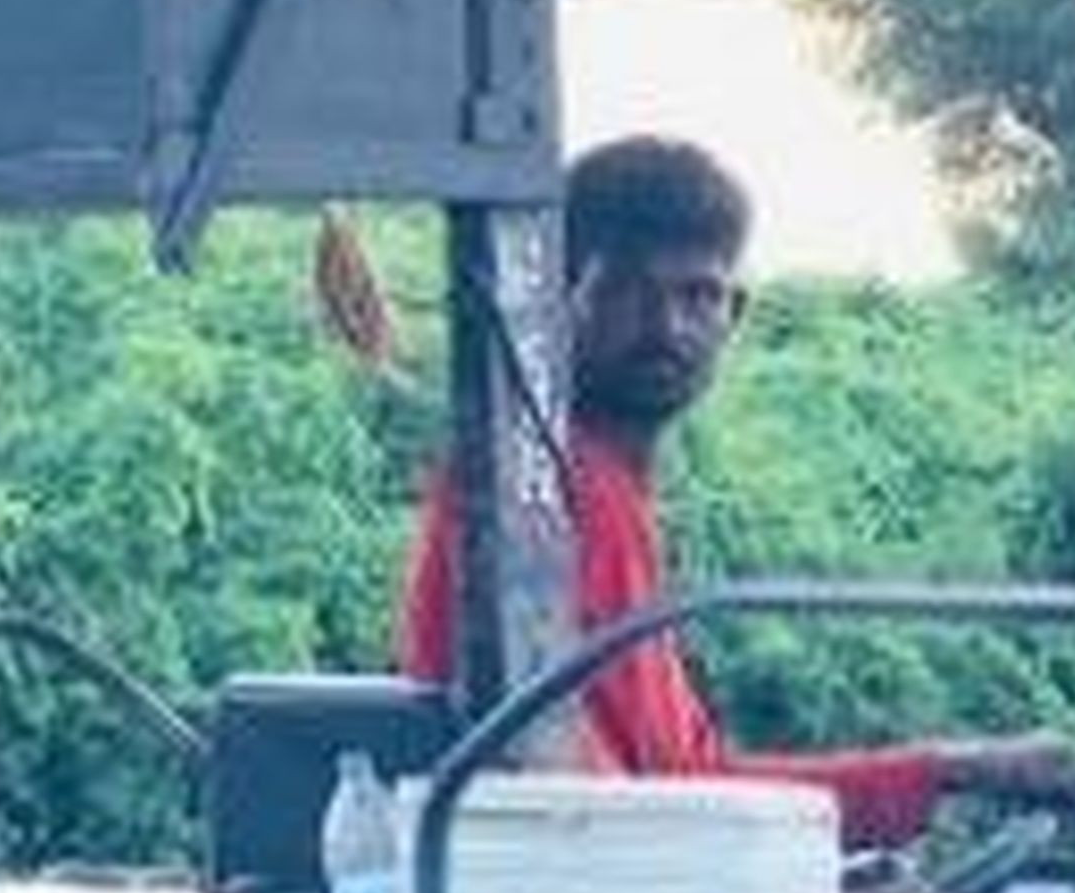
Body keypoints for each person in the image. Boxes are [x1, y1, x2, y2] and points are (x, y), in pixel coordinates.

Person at [389, 132, 958, 855]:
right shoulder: (562, 486)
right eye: (628, 291)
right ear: (558, 299)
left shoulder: (580, 478)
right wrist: (941, 775)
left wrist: (937, 775)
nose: (667, 328)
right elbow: (677, 796)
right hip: (576, 882)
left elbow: (678, 781)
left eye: (698, 295)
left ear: (735, 313)